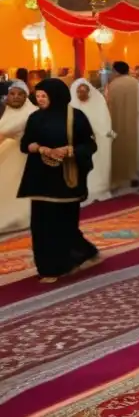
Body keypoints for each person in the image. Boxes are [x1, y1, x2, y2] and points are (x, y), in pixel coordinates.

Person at [17, 79, 99, 282]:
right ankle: (47, 267)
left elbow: (89, 145)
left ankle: (70, 259)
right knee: (40, 225)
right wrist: (41, 148)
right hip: (40, 179)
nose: (40, 99)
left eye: (44, 96)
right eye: (38, 96)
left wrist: (69, 150)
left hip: (65, 179)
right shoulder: (35, 117)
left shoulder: (76, 117)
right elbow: (25, 144)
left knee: (63, 224)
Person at [0, 81, 36, 233]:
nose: (15, 97)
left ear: (26, 97)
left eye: (20, 95)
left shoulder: (29, 113)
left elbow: (5, 131)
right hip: (10, 149)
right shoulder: (8, 112)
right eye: (12, 94)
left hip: (24, 157)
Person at [70, 79, 113, 204]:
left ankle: (100, 188)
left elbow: (107, 125)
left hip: (100, 142)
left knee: (99, 166)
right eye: (79, 91)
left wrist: (112, 136)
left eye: (85, 91)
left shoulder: (98, 103)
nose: (82, 94)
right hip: (80, 144)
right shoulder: (72, 106)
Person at [106, 61, 139, 192]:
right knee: (133, 148)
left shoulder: (113, 85)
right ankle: (134, 176)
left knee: (117, 149)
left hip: (116, 123)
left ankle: (117, 180)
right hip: (133, 122)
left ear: (116, 71)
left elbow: (109, 105)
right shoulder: (135, 82)